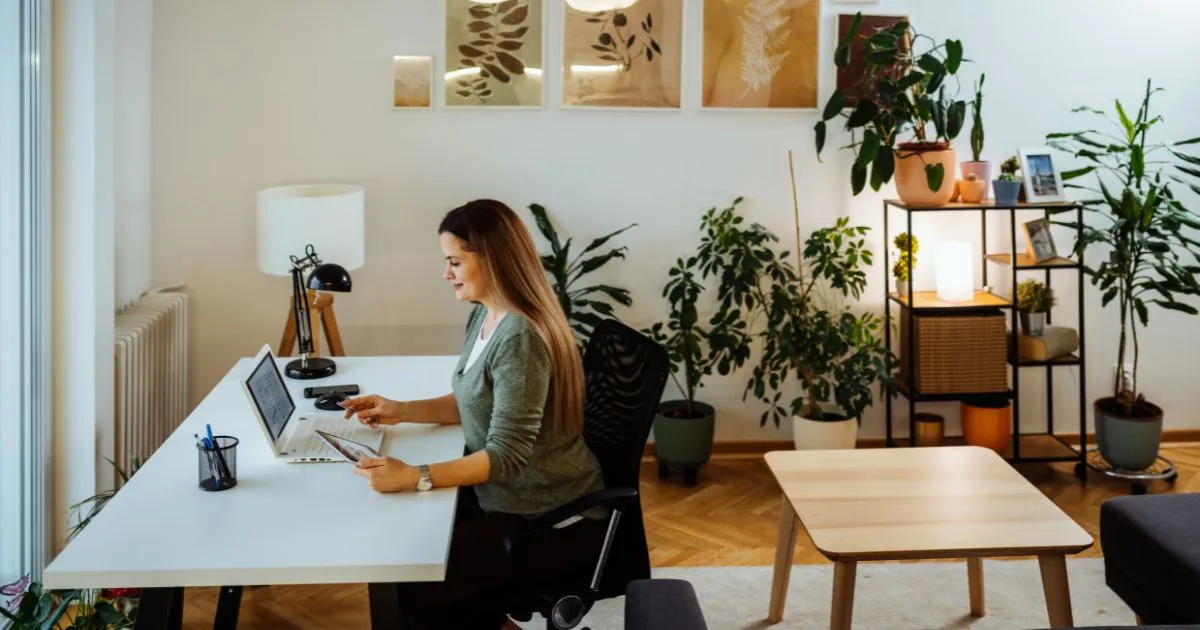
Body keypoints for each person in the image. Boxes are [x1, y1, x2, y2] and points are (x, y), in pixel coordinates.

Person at [340, 199, 609, 630]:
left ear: (494, 259)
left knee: (409, 579)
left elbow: (506, 456)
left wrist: (414, 474)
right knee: (398, 550)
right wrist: (401, 410)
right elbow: (473, 401)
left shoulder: (519, 336)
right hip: (507, 494)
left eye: (454, 262)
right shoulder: (486, 315)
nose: (445, 274)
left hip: (546, 513)